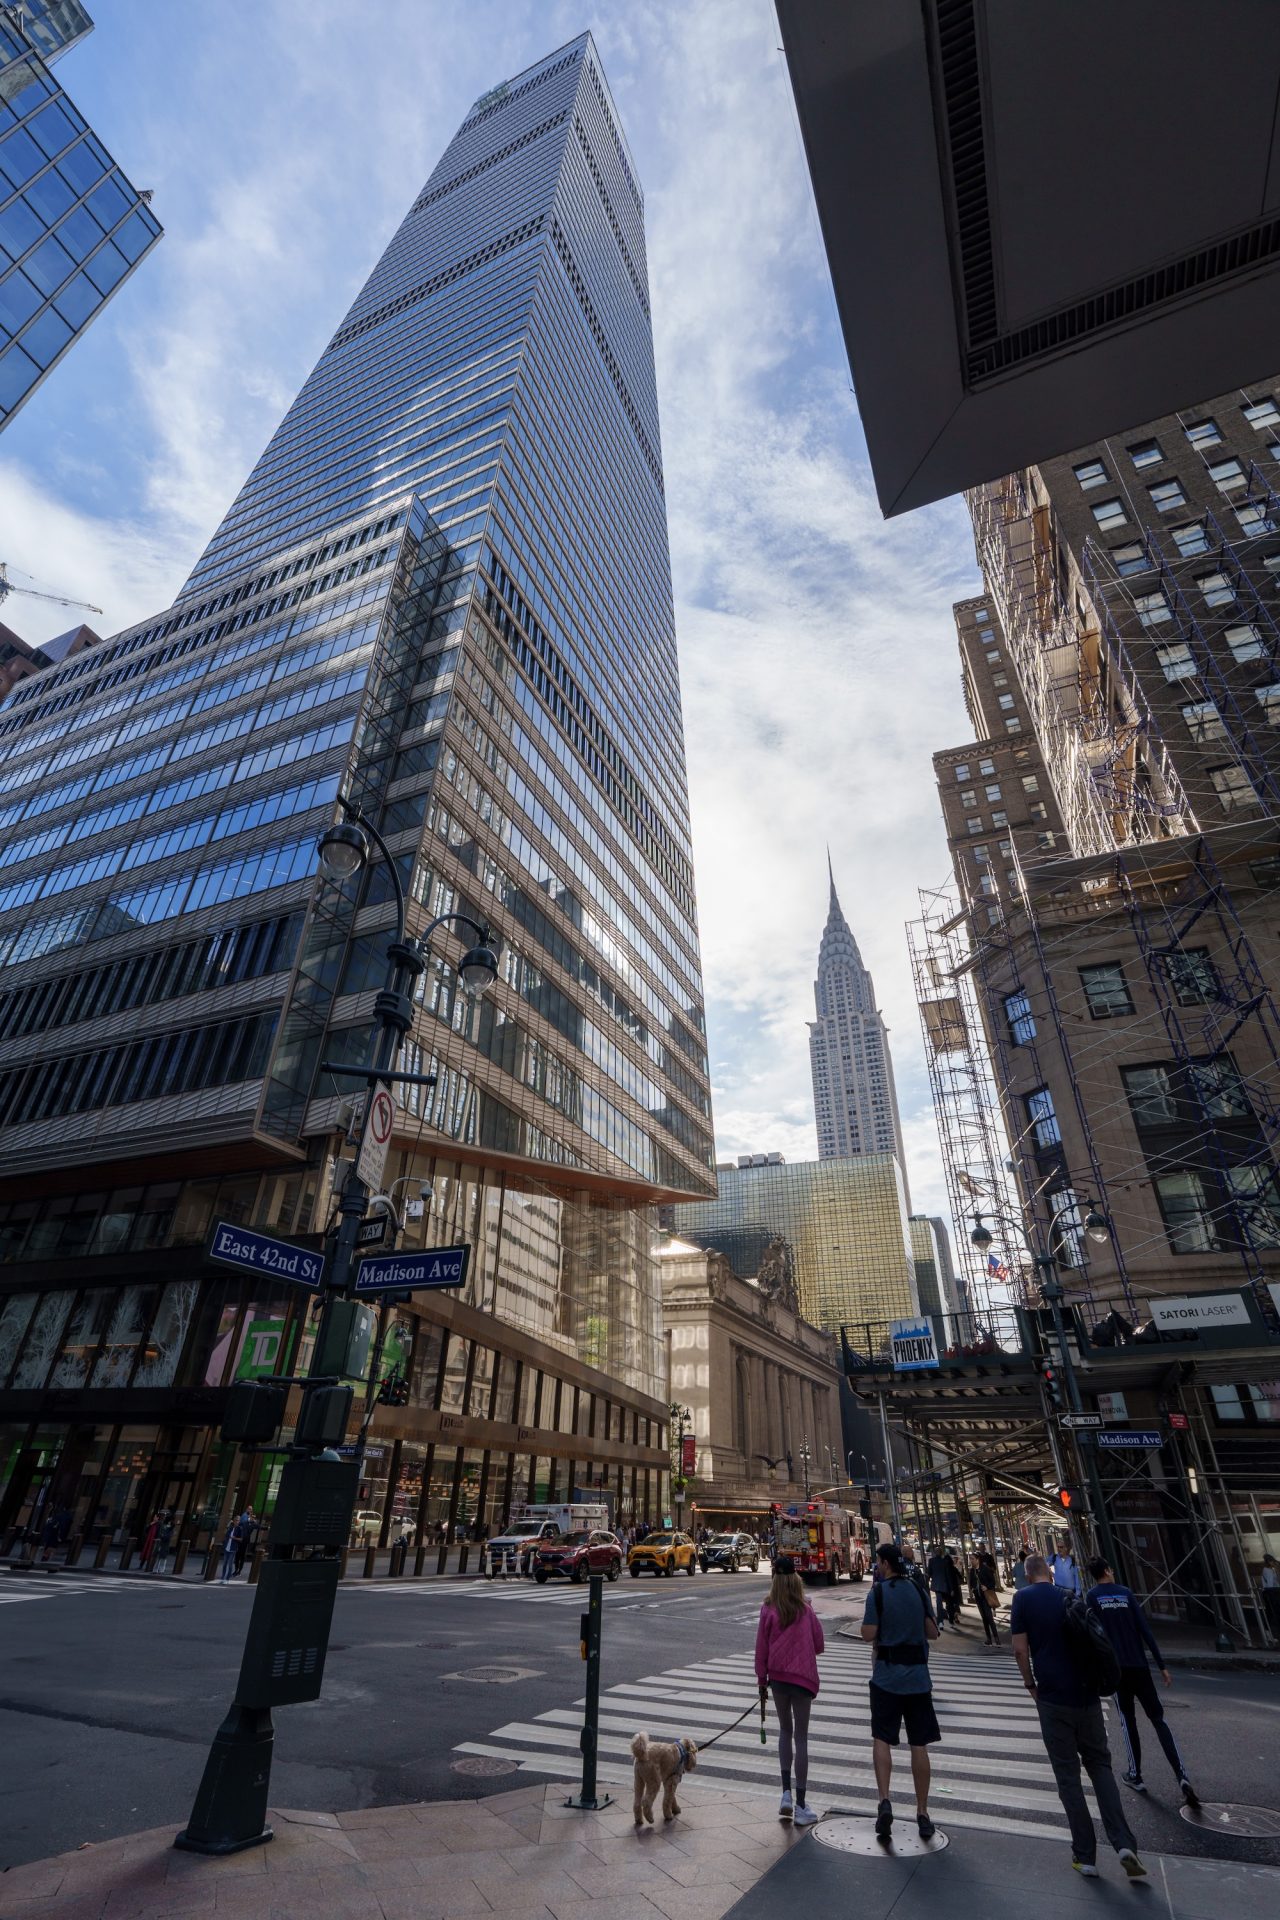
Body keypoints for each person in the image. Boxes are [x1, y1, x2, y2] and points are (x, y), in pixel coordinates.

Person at [1011, 1553, 1147, 1881]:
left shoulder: (1023, 1599)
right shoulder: (1070, 1597)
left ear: (1028, 1575)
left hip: (1053, 1697)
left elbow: (1019, 1649)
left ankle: (1085, 1855)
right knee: (1100, 1767)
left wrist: (1030, 1683)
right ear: (1051, 1573)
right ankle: (1124, 1843)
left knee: (1068, 1777)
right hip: (1086, 1694)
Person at [1085, 1557, 1199, 1807]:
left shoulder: (1092, 1597)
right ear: (1106, 1570)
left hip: (1116, 1669)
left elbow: (1094, 1634)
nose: (1113, 1571)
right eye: (1111, 1568)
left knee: (1128, 1722)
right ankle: (1181, 1774)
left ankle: (1135, 1774)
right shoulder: (1125, 1594)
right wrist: (1161, 1665)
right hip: (1139, 1665)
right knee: (1158, 1720)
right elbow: (1144, 1630)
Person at [861, 1541, 941, 1844]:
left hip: (886, 1678)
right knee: (919, 1746)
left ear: (884, 1563)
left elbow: (867, 1633)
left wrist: (883, 1627)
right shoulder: (919, 1592)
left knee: (882, 1739)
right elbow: (933, 1631)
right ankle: (922, 1812)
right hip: (919, 1678)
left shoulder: (878, 1593)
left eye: (878, 1562)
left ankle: (884, 1800)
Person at [755, 1553, 823, 1829]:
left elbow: (761, 1647)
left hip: (778, 1679)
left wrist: (762, 1679)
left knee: (784, 1731)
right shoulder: (805, 1610)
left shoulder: (768, 1608)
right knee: (801, 1737)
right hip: (803, 1679)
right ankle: (801, 1805)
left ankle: (785, 1792)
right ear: (795, 1579)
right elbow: (819, 1644)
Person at [969, 1557, 1000, 1646]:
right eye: (971, 1559)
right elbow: (971, 1582)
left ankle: (996, 1638)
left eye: (973, 1559)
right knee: (984, 1618)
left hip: (986, 1596)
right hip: (978, 1597)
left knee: (989, 1617)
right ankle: (988, 1639)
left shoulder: (985, 1569)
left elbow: (993, 1582)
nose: (971, 1561)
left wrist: (987, 1587)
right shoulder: (972, 1571)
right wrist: (973, 1588)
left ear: (977, 1560)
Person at [926, 1545, 951, 1632]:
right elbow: (948, 1575)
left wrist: (927, 1581)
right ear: (941, 1553)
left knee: (939, 1603)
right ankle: (950, 1618)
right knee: (948, 1602)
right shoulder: (945, 1562)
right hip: (945, 1584)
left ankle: (940, 1621)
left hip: (937, 1585)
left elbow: (929, 1573)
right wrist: (951, 1588)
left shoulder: (931, 1561)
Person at [1261, 1555, 1280, 1642]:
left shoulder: (1271, 1570)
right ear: (1269, 1562)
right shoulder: (1267, 1571)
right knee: (1272, 1612)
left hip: (1272, 1592)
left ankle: (1268, 1633)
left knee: (1271, 1613)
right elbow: (1270, 1584)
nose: (1274, 1563)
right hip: (1271, 1593)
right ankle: (1268, 1634)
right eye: (1272, 1562)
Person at [219, 1515, 241, 1584]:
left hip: (233, 1549)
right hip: (227, 1548)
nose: (237, 1522)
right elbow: (225, 1534)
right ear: (233, 1521)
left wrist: (234, 1538)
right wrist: (229, 1524)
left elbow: (241, 1539)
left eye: (238, 1520)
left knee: (230, 1564)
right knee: (224, 1564)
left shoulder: (240, 1529)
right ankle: (222, 1578)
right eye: (236, 1520)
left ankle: (227, 1579)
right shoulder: (230, 1528)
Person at [944, 1550, 963, 1623]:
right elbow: (960, 1576)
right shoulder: (953, 1568)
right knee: (955, 1603)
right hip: (955, 1588)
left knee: (949, 1604)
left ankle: (951, 1617)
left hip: (947, 1589)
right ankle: (955, 1616)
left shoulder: (945, 1569)